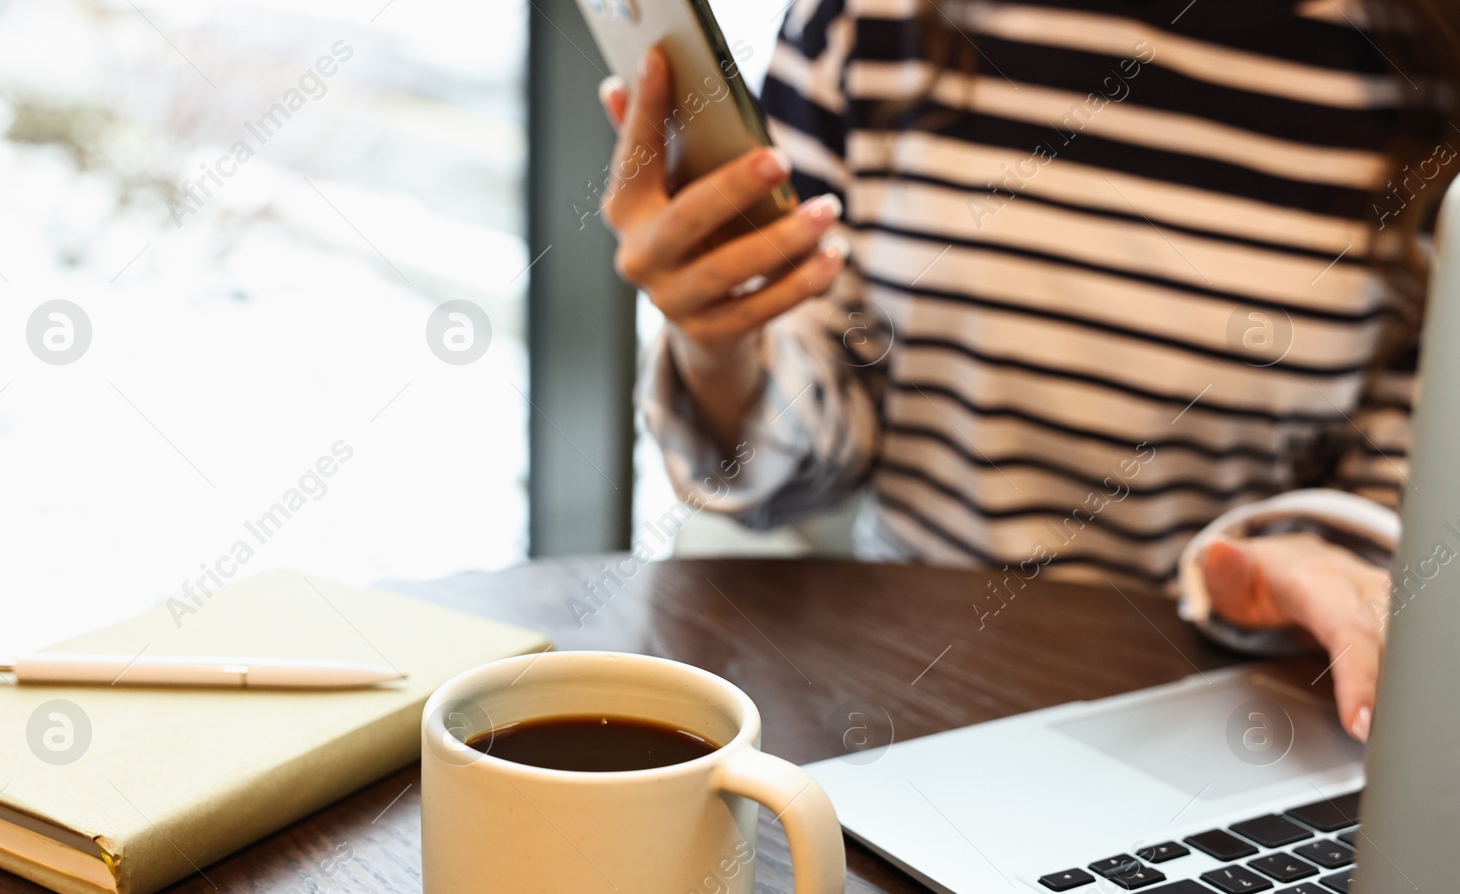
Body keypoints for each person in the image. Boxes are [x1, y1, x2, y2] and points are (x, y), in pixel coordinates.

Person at [598, 0, 1460, 741]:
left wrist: (1325, 555)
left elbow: (1408, 462)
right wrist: (719, 340)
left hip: (1244, 717)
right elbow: (808, 459)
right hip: (908, 698)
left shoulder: (1425, 56)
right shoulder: (871, 21)